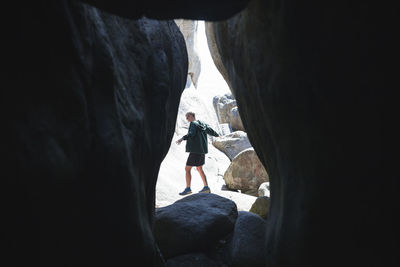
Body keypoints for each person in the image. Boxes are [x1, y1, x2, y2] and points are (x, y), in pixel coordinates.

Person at [176, 111, 220, 195]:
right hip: (202, 151)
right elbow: (210, 130)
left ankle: (188, 188)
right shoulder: (202, 123)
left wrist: (182, 138)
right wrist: (217, 135)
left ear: (192, 116)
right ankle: (206, 187)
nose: (187, 119)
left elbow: (191, 134)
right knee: (199, 168)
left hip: (195, 151)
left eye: (187, 116)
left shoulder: (193, 124)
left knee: (187, 169)